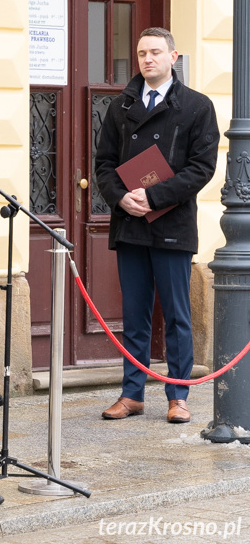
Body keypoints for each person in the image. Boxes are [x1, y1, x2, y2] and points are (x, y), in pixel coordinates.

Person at [94, 27, 219, 423]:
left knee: (178, 315)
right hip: (130, 225)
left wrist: (154, 196)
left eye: (155, 52)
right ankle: (132, 394)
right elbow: (104, 164)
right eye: (141, 53)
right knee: (135, 314)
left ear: (173, 57)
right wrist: (121, 197)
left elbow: (202, 168)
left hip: (173, 225)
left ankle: (178, 395)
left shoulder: (197, 106)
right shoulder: (120, 106)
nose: (147, 59)